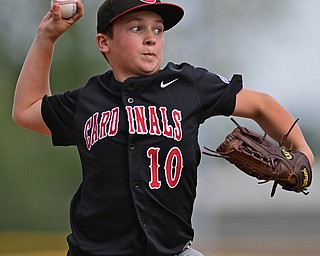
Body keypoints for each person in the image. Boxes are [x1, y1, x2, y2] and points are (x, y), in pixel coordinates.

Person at [12, 0, 314, 255]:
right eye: (136, 28)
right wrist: (45, 38)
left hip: (172, 250)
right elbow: (27, 111)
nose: (151, 37)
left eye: (158, 29)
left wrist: (303, 153)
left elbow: (260, 104)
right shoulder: (87, 100)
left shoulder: (188, 85)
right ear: (105, 42)